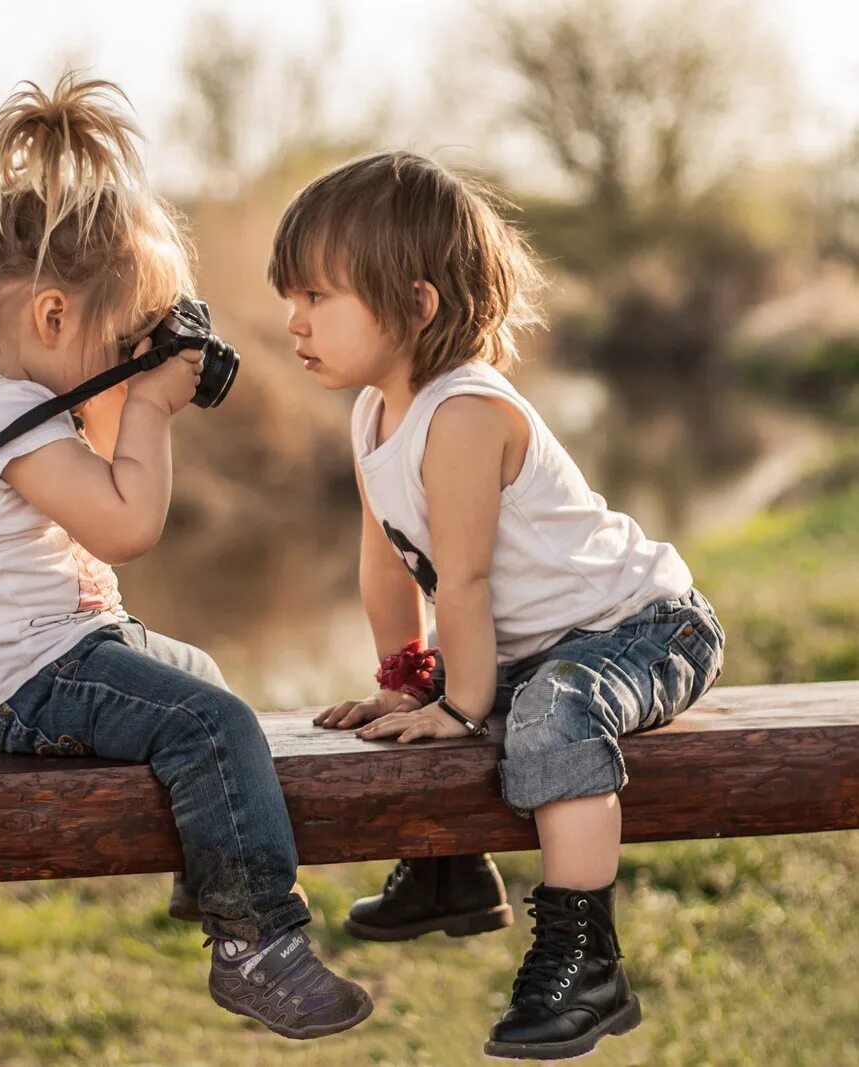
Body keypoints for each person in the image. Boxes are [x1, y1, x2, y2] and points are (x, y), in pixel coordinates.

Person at [0, 72, 371, 1040]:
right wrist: (153, 401)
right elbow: (124, 526)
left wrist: (125, 363)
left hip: (56, 646)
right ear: (48, 318)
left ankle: (212, 872)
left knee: (197, 679)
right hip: (29, 676)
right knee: (210, 722)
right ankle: (255, 941)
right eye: (119, 338)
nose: (130, 356)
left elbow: (97, 441)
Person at [268, 150, 725, 1060]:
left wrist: (460, 702)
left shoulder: (468, 413)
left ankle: (584, 959)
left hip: (640, 629)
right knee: (435, 708)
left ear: (417, 303)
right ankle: (449, 874)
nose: (294, 319)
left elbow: (465, 580)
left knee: (543, 710)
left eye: (317, 297)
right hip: (544, 644)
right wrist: (409, 682)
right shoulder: (372, 414)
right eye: (292, 297)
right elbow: (389, 570)